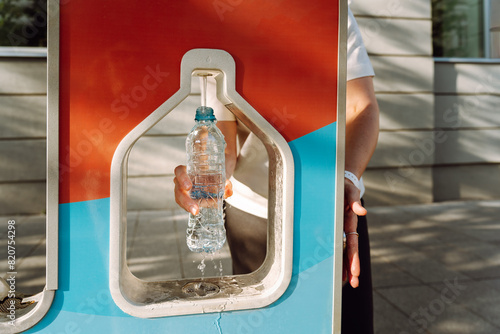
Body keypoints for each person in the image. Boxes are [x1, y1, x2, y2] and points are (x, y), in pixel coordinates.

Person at [174, 7, 379, 333]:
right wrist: (210, 173)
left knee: (346, 320)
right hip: (254, 213)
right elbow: (226, 133)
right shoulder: (225, 23)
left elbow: (361, 107)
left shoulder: (332, 13)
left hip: (331, 201)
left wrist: (349, 176)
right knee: (271, 323)